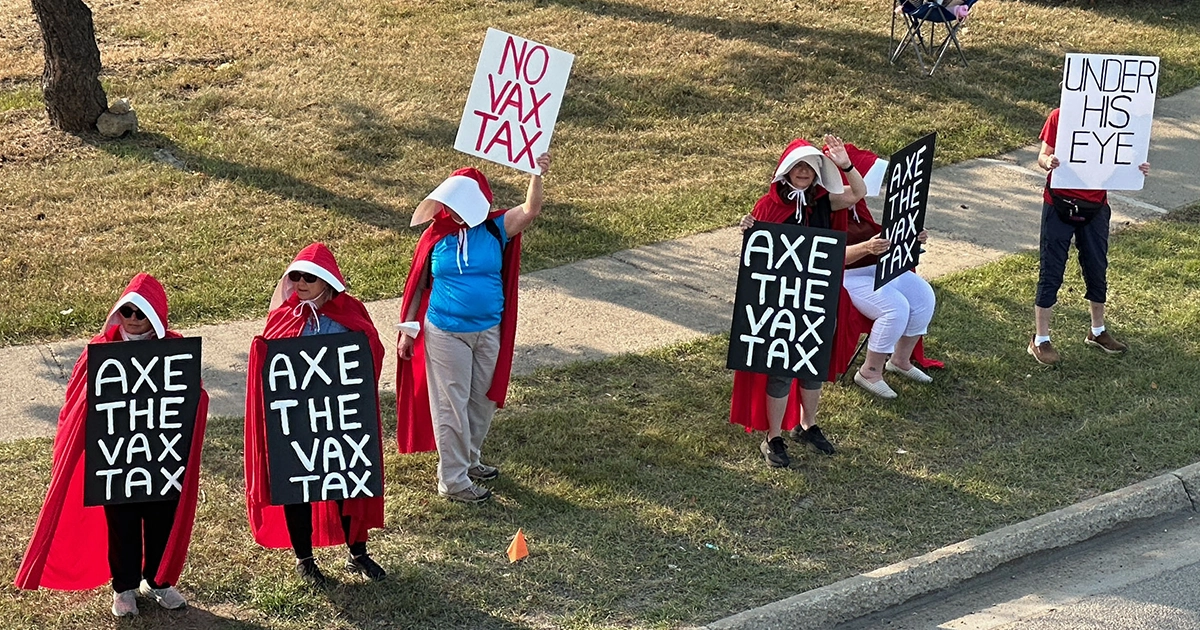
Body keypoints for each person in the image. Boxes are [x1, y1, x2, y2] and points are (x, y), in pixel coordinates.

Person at [15, 273, 209, 617]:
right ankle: (124, 587)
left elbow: (191, 397)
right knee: (122, 524)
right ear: (117, 313)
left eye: (142, 313)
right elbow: (76, 404)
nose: (134, 319)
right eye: (127, 311)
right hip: (116, 459)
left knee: (162, 519)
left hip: (161, 457)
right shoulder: (100, 353)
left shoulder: (174, 349)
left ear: (157, 316)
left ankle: (159, 581)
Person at [396, 153, 551, 503]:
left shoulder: (497, 228)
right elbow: (418, 286)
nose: (450, 211)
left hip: (489, 329)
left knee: (482, 400)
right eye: (447, 204)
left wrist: (536, 173)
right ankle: (452, 480)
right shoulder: (435, 238)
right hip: (445, 332)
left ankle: (470, 460)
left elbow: (530, 210)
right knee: (452, 403)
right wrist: (408, 330)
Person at [244, 243, 387, 586]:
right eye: (295, 276)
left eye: (309, 277)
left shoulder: (351, 312)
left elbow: (370, 356)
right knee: (298, 485)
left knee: (347, 482)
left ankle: (358, 552)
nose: (300, 283)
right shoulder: (284, 315)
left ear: (327, 281)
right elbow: (270, 365)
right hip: (296, 421)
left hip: (339, 417)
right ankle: (304, 559)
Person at [730, 136, 865, 468]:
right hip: (782, 303)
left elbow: (858, 194)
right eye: (798, 166)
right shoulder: (768, 205)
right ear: (786, 171)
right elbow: (756, 255)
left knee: (811, 364)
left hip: (818, 298)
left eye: (810, 167)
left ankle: (808, 425)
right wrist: (749, 226)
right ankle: (773, 437)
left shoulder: (823, 202)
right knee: (780, 370)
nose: (803, 172)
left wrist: (845, 164)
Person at [1028, 108, 1151, 366]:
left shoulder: (1116, 119)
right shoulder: (1059, 116)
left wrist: (1137, 168)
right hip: (1059, 204)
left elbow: (1122, 158)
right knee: (1051, 269)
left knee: (1097, 267)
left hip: (1096, 208)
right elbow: (1043, 155)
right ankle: (1040, 339)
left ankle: (1097, 331)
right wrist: (1047, 162)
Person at [839, 144, 938, 400]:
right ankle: (870, 370)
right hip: (847, 275)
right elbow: (831, 254)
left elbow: (878, 231)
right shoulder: (825, 206)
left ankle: (900, 360)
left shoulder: (857, 206)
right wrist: (866, 247)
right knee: (894, 308)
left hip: (877, 266)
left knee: (923, 296)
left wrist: (910, 235)